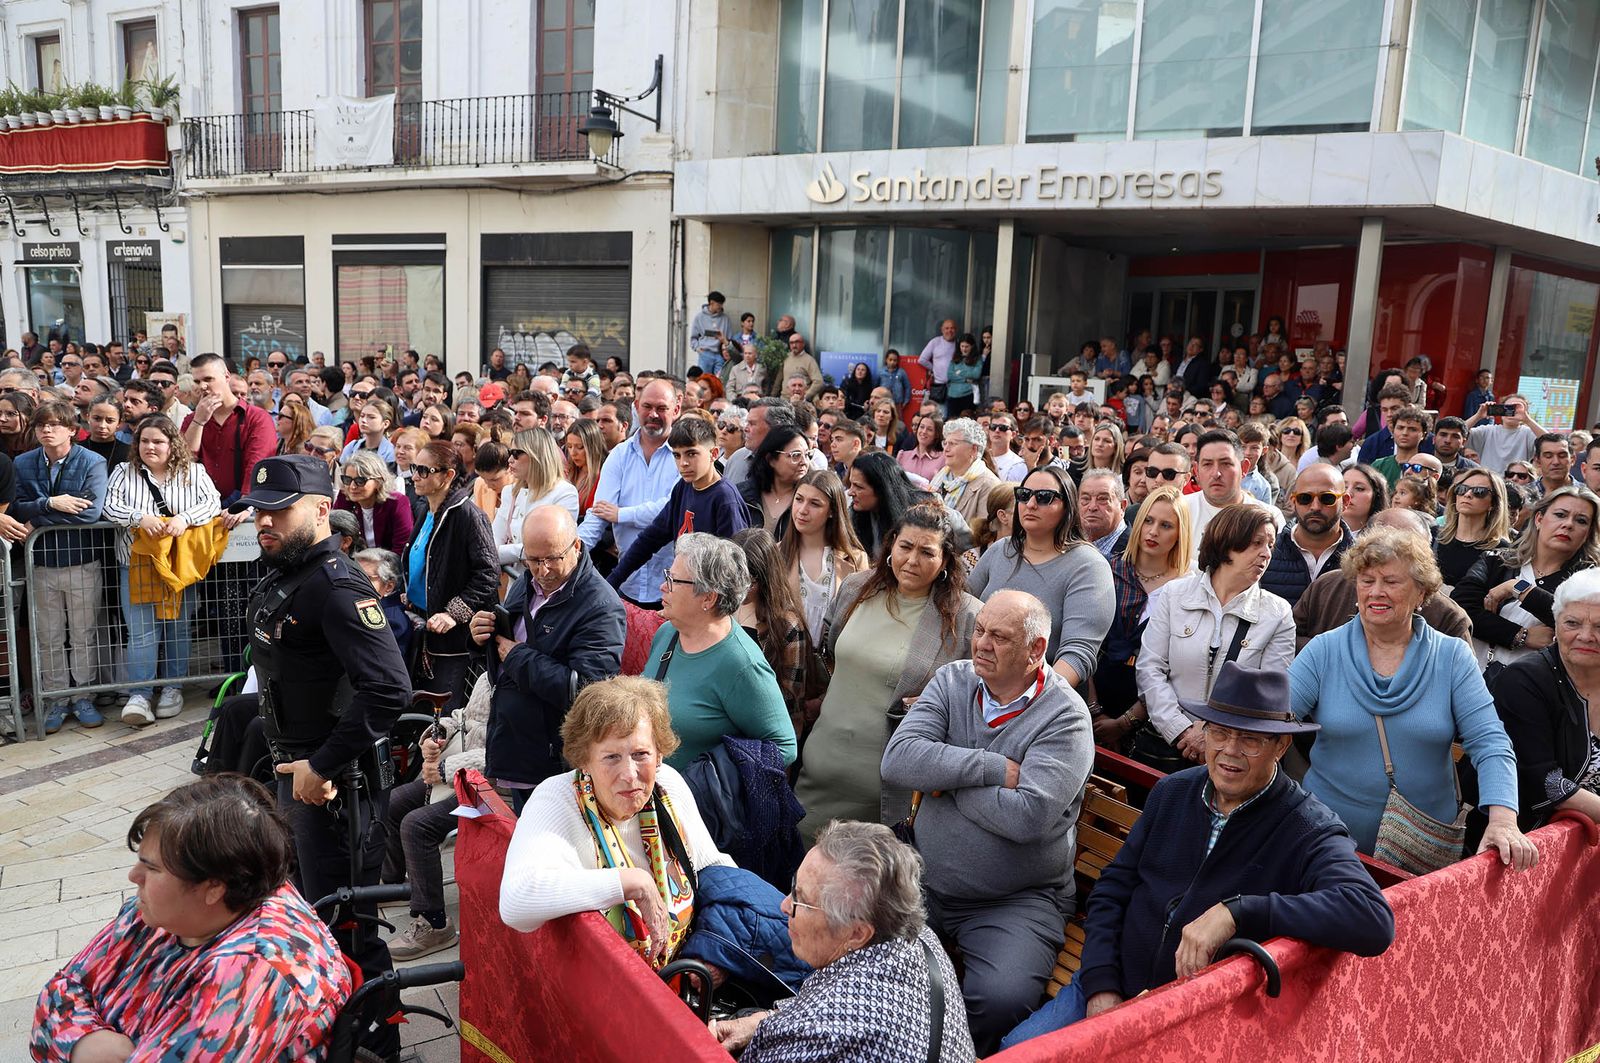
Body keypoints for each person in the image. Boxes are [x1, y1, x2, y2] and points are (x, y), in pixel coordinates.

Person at [1011, 664, 1395, 1041]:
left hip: (1190, 1020)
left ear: (1281, 745)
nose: (1229, 751)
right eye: (1220, 733)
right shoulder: (1173, 791)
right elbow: (1114, 888)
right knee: (1015, 1050)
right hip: (1110, 981)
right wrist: (1101, 985)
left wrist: (1237, 911)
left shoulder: (1307, 826)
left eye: (1250, 739)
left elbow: (1373, 919)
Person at [229, 454, 412, 1060]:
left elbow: (390, 687)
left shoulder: (335, 583)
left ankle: (378, 1044)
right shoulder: (286, 570)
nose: (264, 522)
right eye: (259, 512)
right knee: (308, 911)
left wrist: (324, 764)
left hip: (337, 782)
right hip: (299, 770)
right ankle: (328, 1032)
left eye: (278, 510)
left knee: (347, 922)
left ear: (318, 508)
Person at [880, 590, 1094, 1053]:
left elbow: (1027, 818)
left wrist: (945, 779)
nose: (981, 644)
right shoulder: (951, 681)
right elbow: (898, 761)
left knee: (999, 999)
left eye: (999, 637)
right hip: (924, 880)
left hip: (1016, 900)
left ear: (1036, 651)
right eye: (979, 630)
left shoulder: (1066, 718)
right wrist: (991, 768)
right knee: (863, 956)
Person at [31, 776, 352, 1061]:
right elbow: (60, 990)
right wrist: (87, 1043)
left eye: (152, 868)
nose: (134, 876)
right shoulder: (162, 910)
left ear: (213, 886)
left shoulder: (250, 968)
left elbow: (59, 1009)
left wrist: (72, 1038)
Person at [1290, 527, 1535, 869]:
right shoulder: (1323, 650)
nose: (1376, 592)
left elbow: (1490, 741)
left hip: (1421, 850)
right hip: (1326, 841)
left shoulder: (1451, 657)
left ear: (1422, 592)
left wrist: (1504, 819)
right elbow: (1274, 724)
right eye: (1366, 580)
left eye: (1391, 581)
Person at [498, 676, 735, 971]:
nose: (630, 774)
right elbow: (515, 902)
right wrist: (632, 882)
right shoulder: (558, 799)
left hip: (687, 973)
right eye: (611, 757)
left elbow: (715, 870)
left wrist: (714, 956)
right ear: (584, 760)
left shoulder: (667, 785)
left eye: (641, 754)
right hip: (607, 994)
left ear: (659, 753)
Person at [711, 820, 976, 1062]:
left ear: (857, 933)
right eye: (793, 886)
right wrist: (766, 1021)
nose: (784, 905)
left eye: (800, 900)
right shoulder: (919, 938)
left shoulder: (818, 1033)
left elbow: (829, 1023)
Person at [796, 505, 981, 833]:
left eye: (927, 552)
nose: (912, 560)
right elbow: (828, 654)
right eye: (905, 547)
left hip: (887, 786)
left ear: (945, 562)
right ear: (891, 544)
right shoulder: (857, 588)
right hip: (820, 766)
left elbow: (977, 695)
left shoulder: (965, 618)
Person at [472, 506, 626, 815]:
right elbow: (507, 648)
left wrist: (518, 657)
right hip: (517, 750)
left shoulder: (601, 606)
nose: (543, 571)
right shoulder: (525, 583)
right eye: (533, 560)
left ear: (577, 546)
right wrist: (481, 636)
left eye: (553, 559)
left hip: (557, 765)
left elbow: (588, 692)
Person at [1136, 503, 1296, 772]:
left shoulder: (1278, 613)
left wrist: (1215, 737)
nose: (1266, 553)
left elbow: (1267, 694)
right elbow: (1150, 668)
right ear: (1226, 543)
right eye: (1256, 543)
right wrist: (1180, 729)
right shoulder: (1174, 595)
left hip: (1231, 754)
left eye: (1270, 544)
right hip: (1166, 744)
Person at [101, 414, 223, 727]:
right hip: (135, 566)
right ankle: (140, 694)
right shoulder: (123, 472)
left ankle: (172, 687)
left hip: (178, 567)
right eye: (144, 441)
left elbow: (212, 503)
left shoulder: (193, 472)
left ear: (172, 444)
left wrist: (185, 518)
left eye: (158, 441)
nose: (150, 447)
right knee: (141, 633)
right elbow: (109, 506)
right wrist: (138, 517)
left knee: (177, 629)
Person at [646, 533, 796, 768]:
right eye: (667, 576)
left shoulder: (742, 664)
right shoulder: (667, 634)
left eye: (674, 580)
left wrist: (712, 775)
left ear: (708, 597)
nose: (663, 586)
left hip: (698, 803)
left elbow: (784, 747)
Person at [967, 468, 1113, 690]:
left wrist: (1026, 702)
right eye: (1024, 495)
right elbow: (962, 613)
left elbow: (1077, 653)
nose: (1031, 504)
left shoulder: (1088, 566)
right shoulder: (1000, 550)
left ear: (1067, 507)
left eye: (1044, 497)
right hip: (978, 688)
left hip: (1044, 700)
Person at [10, 400, 108, 732]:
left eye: (54, 424)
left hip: (81, 561)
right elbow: (16, 509)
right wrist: (50, 503)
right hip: (41, 564)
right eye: (41, 425)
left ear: (70, 429)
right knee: (47, 636)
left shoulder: (92, 461)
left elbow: (91, 513)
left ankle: (82, 696)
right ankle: (55, 698)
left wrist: (39, 519)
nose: (47, 430)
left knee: (83, 634)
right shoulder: (22, 463)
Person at [1493, 569, 1600, 829]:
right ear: (1556, 623)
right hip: (1528, 843)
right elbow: (1546, 783)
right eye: (1572, 623)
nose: (1585, 636)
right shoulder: (1524, 680)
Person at [1091, 486, 1192, 746]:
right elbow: (1083, 640)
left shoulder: (1188, 589)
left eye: (1166, 525)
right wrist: (1093, 710)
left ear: (1181, 534)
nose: (1153, 531)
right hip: (1088, 699)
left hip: (1152, 720)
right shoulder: (1106, 570)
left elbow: (1176, 667)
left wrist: (1125, 722)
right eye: (1148, 520)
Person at [1292, 507, 1471, 652]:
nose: (1376, 592)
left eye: (1408, 551)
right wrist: (1330, 656)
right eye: (1368, 581)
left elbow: (1465, 690)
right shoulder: (1327, 587)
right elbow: (1289, 639)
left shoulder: (1449, 618)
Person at [403, 440, 499, 709]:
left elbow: (488, 574)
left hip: (454, 641)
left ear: (448, 475)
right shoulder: (425, 510)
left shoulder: (468, 516)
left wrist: (452, 613)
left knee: (444, 714)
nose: (415, 476)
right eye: (414, 468)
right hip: (424, 628)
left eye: (424, 470)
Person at [610, 417, 750, 590]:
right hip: (683, 588)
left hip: (710, 598)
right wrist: (613, 580)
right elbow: (652, 537)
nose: (683, 463)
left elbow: (734, 565)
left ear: (713, 454)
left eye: (691, 454)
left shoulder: (725, 499)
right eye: (677, 455)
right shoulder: (683, 487)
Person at [578, 378, 682, 608]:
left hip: (673, 589)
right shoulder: (619, 455)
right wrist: (570, 551)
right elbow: (598, 516)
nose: (653, 414)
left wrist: (621, 514)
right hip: (627, 584)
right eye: (647, 407)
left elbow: (669, 511)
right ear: (636, 406)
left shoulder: (684, 456)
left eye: (662, 408)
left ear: (676, 409)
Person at [732, 528, 815, 741]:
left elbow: (790, 703)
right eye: (732, 577)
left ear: (766, 578)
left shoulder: (787, 626)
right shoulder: (722, 608)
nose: (738, 589)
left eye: (748, 581)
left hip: (760, 737)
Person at [180, 353, 276, 516]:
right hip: (198, 510)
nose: (202, 386)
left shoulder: (257, 417)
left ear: (226, 377)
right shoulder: (192, 419)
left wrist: (246, 504)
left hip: (244, 508)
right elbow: (183, 461)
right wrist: (199, 421)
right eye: (197, 381)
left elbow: (257, 463)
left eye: (208, 379)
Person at [781, 469, 867, 645]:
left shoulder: (855, 559)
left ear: (832, 511)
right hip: (785, 662)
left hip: (832, 663)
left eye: (815, 504)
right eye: (799, 499)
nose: (803, 510)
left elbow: (863, 620)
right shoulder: (775, 554)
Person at [1182, 430, 1283, 563]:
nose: (1216, 473)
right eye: (1207, 464)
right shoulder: (1179, 510)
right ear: (1196, 471)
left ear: (1244, 468)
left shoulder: (1270, 517)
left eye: (1226, 464)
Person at [1260, 462, 1353, 607]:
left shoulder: (1360, 558)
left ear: (1345, 502)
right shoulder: (1265, 554)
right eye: (1305, 498)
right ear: (1293, 501)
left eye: (1327, 498)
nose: (1315, 507)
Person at [1437, 469, 1511, 588]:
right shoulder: (1433, 535)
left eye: (1479, 491)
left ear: (1493, 503)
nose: (1467, 494)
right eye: (1462, 489)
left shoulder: (1501, 550)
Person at [333, 449, 413, 554]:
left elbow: (401, 548)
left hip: (388, 565)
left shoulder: (397, 503)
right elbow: (335, 537)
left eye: (360, 481)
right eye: (347, 480)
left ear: (379, 481)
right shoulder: (344, 497)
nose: (352, 486)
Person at [741, 424, 812, 533]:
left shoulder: (812, 497)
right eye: (796, 455)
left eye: (807, 455)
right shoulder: (743, 495)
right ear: (771, 459)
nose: (804, 462)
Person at [847, 451, 917, 560]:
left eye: (858, 487)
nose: (850, 492)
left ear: (882, 490)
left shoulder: (919, 515)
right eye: (851, 484)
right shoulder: (854, 515)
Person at [690, 291, 733, 377]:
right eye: (719, 304)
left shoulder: (725, 318)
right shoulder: (699, 317)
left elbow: (729, 338)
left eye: (722, 304)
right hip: (705, 353)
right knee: (704, 380)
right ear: (711, 303)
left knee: (720, 381)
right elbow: (693, 338)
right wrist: (697, 348)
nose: (721, 306)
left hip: (720, 355)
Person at [897, 414, 945, 483]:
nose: (924, 431)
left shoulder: (943, 459)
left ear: (937, 434)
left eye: (929, 429)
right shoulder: (903, 456)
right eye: (922, 427)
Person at [1342, 463, 1389, 533]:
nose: (1348, 493)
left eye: (1359, 488)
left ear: (1376, 496)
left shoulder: (1385, 538)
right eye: (1343, 487)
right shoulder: (1321, 532)